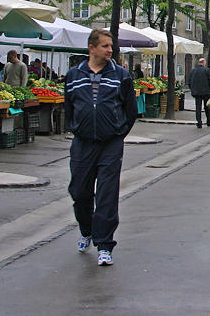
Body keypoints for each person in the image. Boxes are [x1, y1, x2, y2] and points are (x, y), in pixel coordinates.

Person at [64, 29, 137, 267]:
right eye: (105, 46)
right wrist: (76, 128)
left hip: (110, 144)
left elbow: (130, 111)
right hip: (83, 143)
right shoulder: (74, 75)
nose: (110, 50)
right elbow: (69, 108)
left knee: (107, 194)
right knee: (79, 192)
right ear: (91, 48)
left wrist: (118, 134)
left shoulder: (121, 75)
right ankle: (86, 229)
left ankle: (105, 245)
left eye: (111, 46)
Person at [188, 58, 210, 129]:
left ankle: (199, 122)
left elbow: (189, 82)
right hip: (206, 92)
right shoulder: (207, 70)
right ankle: (209, 121)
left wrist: (192, 89)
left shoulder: (193, 71)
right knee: (207, 107)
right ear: (203, 63)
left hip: (196, 92)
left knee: (198, 107)